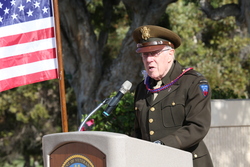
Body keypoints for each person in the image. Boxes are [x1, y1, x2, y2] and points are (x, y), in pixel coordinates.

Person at [132, 25, 213, 167]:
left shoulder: (193, 82)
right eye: (145, 54)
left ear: (170, 54)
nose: (149, 59)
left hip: (188, 162)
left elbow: (198, 127)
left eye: (154, 53)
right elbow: (138, 131)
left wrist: (162, 145)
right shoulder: (142, 88)